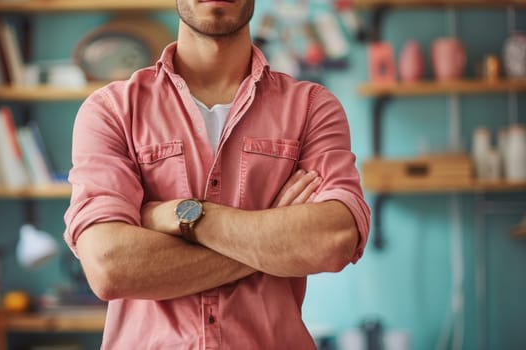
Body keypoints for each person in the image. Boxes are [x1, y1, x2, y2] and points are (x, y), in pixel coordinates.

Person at [63, 0, 371, 348]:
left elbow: (333, 240)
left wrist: (179, 215)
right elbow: (110, 266)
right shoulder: (111, 111)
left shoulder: (312, 107)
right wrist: (273, 236)